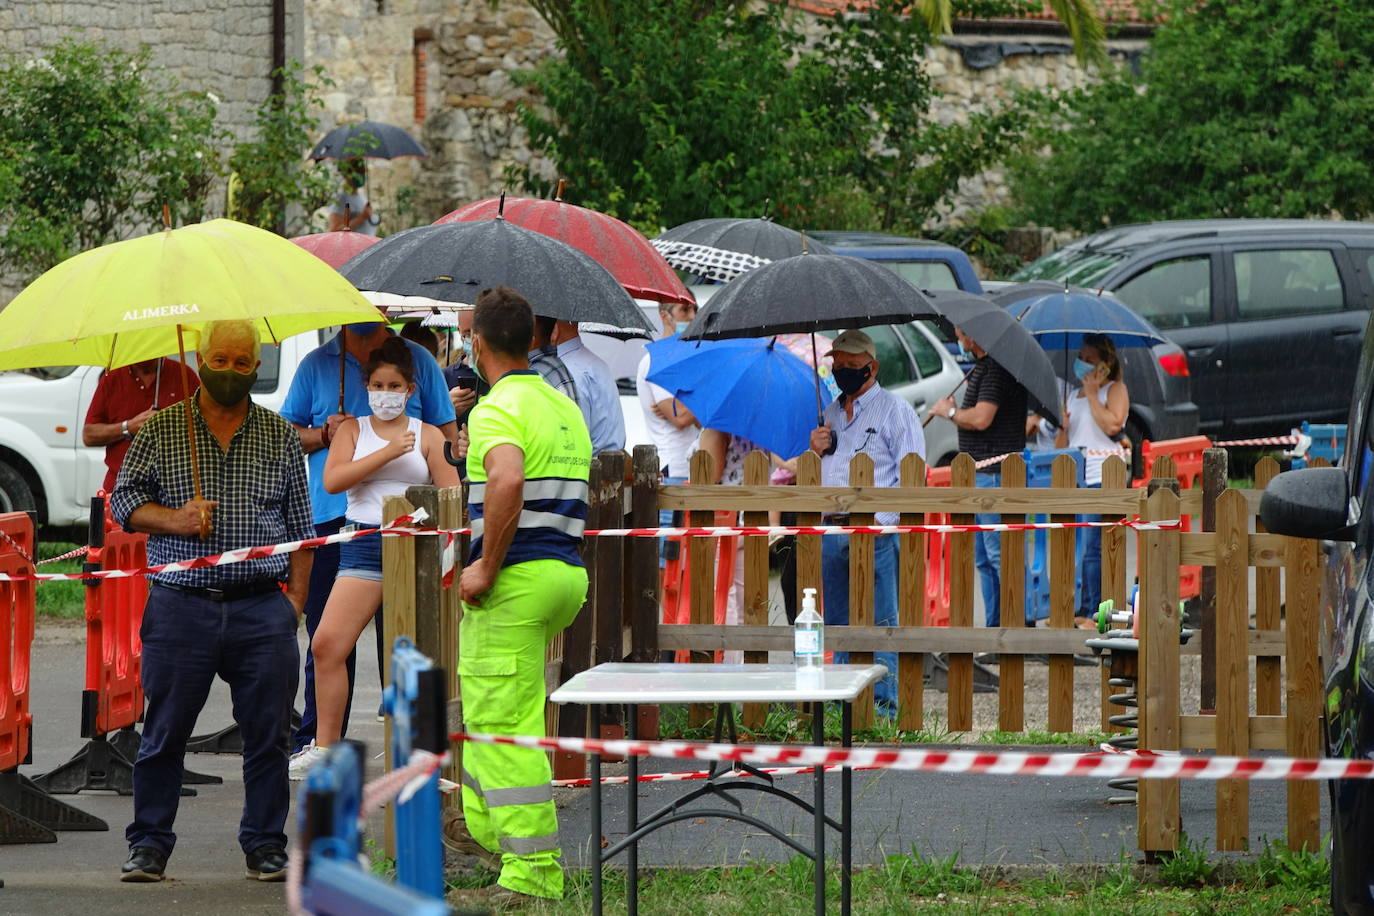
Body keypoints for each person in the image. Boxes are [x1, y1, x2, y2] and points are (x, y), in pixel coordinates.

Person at [111, 320, 312, 883]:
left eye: (241, 362)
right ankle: (148, 845)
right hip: (180, 605)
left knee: (270, 736)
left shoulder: (279, 436)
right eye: (219, 360)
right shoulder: (162, 430)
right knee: (164, 733)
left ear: (256, 366)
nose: (229, 371)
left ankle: (265, 844)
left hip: (260, 608)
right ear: (201, 359)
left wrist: (292, 606)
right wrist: (174, 518)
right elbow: (123, 501)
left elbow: (302, 531)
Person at [445, 286, 591, 906]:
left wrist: (485, 565)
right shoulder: (562, 405)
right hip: (564, 573)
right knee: (494, 710)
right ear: (533, 338)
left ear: (478, 343)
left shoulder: (497, 408)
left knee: (504, 723)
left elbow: (506, 477)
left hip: (517, 579)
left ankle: (533, 873)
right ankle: (486, 830)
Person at [279, 315, 457, 759]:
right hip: (358, 541)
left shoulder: (428, 433)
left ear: (410, 391)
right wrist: (380, 452)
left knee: (409, 656)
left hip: (414, 545)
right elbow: (334, 481)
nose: (385, 395)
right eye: (377, 386)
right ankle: (323, 745)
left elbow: (450, 491)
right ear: (367, 387)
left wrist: (425, 517)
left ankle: (417, 750)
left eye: (395, 387)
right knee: (326, 642)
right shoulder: (353, 427)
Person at [807, 329, 924, 716]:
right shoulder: (830, 413)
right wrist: (815, 449)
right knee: (839, 624)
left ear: (872, 367)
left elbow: (912, 476)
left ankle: (885, 709)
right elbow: (826, 473)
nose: (842, 372)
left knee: (883, 622)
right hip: (832, 530)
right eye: (837, 365)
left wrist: (883, 524)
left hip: (877, 533)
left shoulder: (896, 411)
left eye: (851, 366)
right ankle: (845, 706)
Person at [931, 327, 1028, 628]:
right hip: (983, 472)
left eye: (961, 332)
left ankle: (1013, 626)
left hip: (995, 475)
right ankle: (995, 626)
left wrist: (949, 413)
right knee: (986, 559)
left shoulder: (997, 369)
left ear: (976, 335)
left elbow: (981, 418)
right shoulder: (984, 367)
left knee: (1001, 556)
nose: (958, 336)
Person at [1056, 333, 1130, 629]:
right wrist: (1062, 425)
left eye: (1090, 360)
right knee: (1077, 548)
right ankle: (1083, 605)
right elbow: (1065, 441)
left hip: (1103, 475)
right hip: (1077, 476)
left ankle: (1093, 610)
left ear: (1105, 364)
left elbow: (1113, 423)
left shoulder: (1115, 389)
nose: (1083, 365)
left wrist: (1092, 393)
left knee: (1093, 548)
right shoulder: (1072, 396)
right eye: (1081, 359)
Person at [636, 300, 700, 566]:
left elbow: (686, 412)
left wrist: (691, 403)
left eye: (695, 309)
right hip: (671, 468)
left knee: (689, 561)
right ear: (665, 316)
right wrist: (701, 403)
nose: (692, 316)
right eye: (685, 310)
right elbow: (681, 418)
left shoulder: (686, 359)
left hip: (691, 467)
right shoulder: (657, 360)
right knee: (669, 563)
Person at [83, 357, 195, 494]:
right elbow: (89, 435)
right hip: (120, 487)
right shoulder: (112, 377)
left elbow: (205, 427)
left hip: (173, 489)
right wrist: (128, 427)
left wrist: (168, 424)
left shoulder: (184, 375)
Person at [552, 319, 625, 455]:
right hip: (608, 466)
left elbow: (570, 442)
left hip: (588, 470)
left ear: (555, 330)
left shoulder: (568, 372)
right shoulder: (594, 363)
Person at [328, 159, 377, 235]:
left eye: (363, 172)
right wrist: (361, 218)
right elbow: (334, 231)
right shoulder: (342, 199)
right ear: (347, 174)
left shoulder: (362, 198)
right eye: (359, 172)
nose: (362, 175)